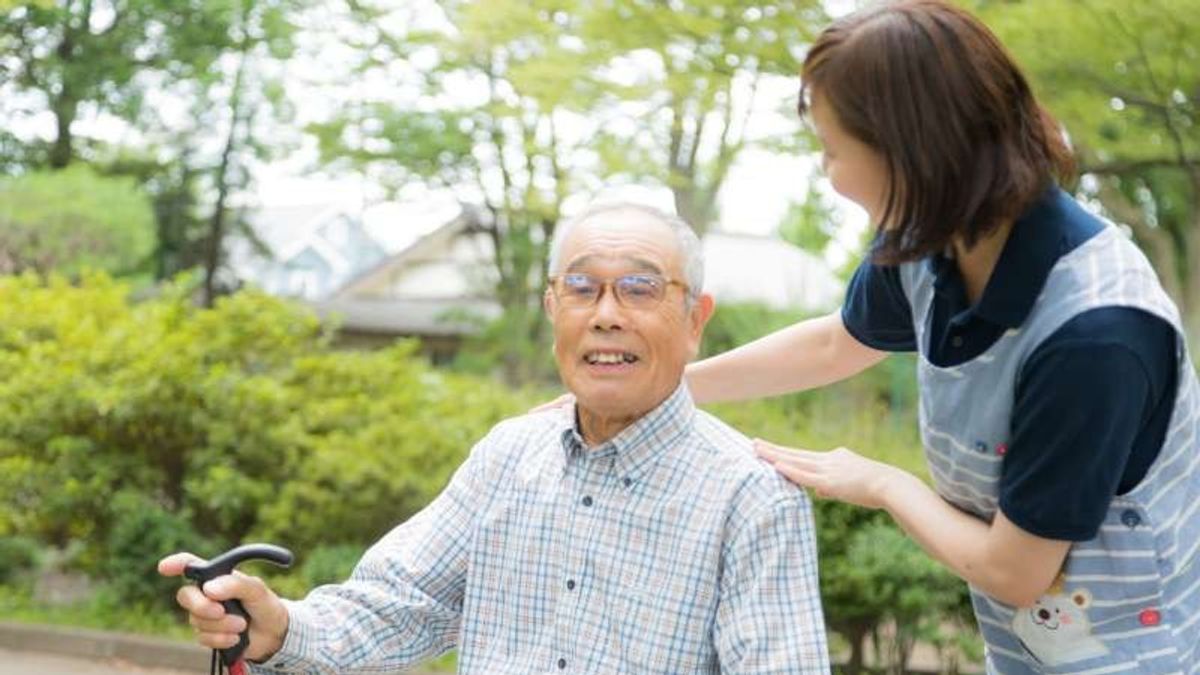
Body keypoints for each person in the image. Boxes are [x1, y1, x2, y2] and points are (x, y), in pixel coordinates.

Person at [676, 1, 1200, 672]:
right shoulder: (931, 237)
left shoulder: (1094, 334)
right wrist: (669, 387)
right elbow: (840, 343)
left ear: (912, 154)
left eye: (833, 150)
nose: (824, 171)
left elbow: (1015, 571)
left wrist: (883, 482)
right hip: (1026, 649)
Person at [159, 202, 830, 674]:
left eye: (638, 288)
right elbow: (400, 602)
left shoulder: (752, 497)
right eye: (581, 287)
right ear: (551, 308)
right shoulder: (509, 455)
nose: (605, 316)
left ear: (694, 319)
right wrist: (277, 624)